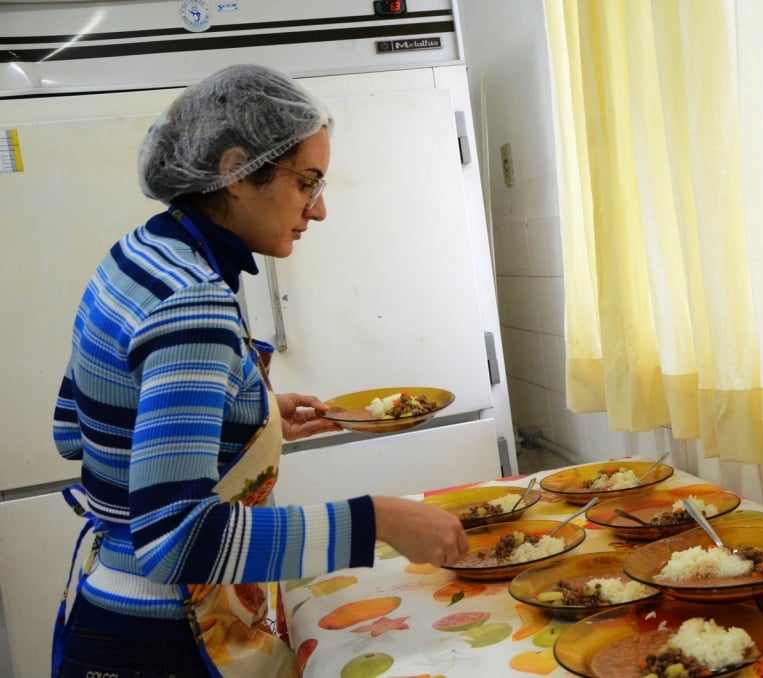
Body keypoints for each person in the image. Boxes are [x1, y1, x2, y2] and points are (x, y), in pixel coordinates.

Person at [51, 63, 468, 678]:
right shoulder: (191, 300)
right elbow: (177, 542)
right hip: (166, 640)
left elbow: (73, 429)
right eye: (308, 182)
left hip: (106, 610)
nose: (319, 210)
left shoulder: (141, 254)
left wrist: (248, 419)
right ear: (236, 171)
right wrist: (377, 519)